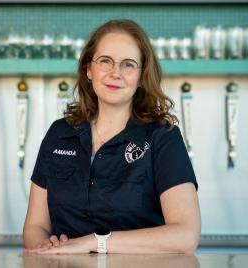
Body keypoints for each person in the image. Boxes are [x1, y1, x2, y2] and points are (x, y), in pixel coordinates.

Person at [23, 19, 201, 254]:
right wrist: (46, 248)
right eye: (105, 61)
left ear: (141, 76)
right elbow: (35, 225)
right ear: (89, 69)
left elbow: (186, 235)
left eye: (128, 64)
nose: (115, 73)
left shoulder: (162, 137)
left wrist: (94, 242)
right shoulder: (59, 133)